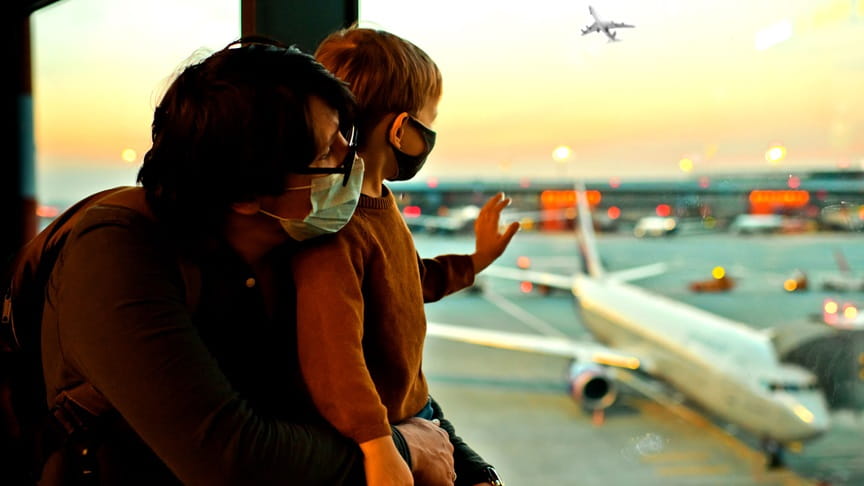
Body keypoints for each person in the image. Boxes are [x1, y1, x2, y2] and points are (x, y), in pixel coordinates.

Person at [38, 38, 458, 485]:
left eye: (345, 136)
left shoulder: (295, 237)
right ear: (246, 192)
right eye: (324, 154)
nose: (348, 159)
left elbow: (400, 385)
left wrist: (471, 470)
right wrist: (402, 449)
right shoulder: (115, 257)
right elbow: (230, 458)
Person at [290, 28, 518, 486]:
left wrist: (476, 259)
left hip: (416, 408)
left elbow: (409, 281)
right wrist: (379, 445)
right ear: (401, 130)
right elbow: (334, 360)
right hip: (383, 431)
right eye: (429, 120)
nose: (431, 134)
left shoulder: (381, 201)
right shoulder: (337, 229)